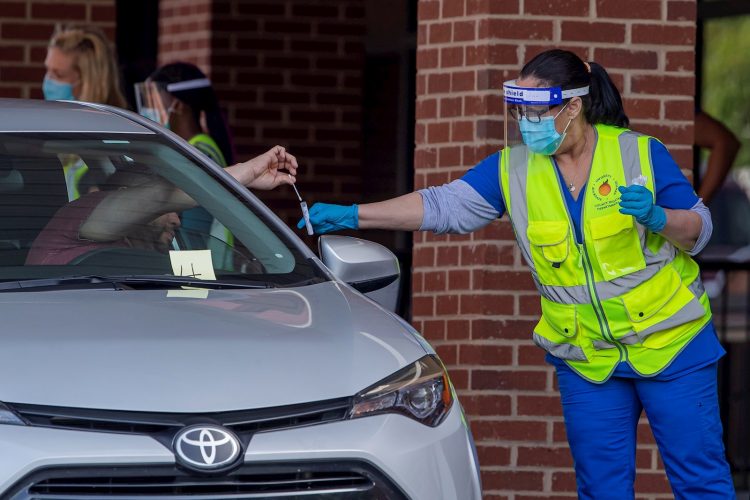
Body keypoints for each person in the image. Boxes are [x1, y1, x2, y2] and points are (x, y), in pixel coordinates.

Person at [299, 49, 735, 498]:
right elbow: (442, 206)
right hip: (588, 357)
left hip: (672, 343)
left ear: (572, 106)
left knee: (700, 481)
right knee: (601, 489)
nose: (526, 121)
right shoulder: (515, 168)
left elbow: (698, 231)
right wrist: (356, 214)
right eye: (519, 110)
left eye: (535, 110)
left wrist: (661, 217)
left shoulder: (639, 153)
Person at [26, 146, 297, 266]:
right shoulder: (83, 215)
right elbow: (160, 198)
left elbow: (199, 290)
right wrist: (244, 172)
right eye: (167, 211)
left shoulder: (155, 253)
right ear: (124, 196)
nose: (177, 221)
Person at [134, 63, 236, 261]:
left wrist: (187, 286)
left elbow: (191, 237)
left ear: (178, 104)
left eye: (153, 99)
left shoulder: (197, 156)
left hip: (204, 276)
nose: (148, 109)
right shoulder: (194, 150)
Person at [43, 24, 128, 201]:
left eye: (58, 75)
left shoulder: (118, 139)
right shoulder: (49, 132)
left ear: (87, 81)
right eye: (47, 71)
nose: (47, 82)